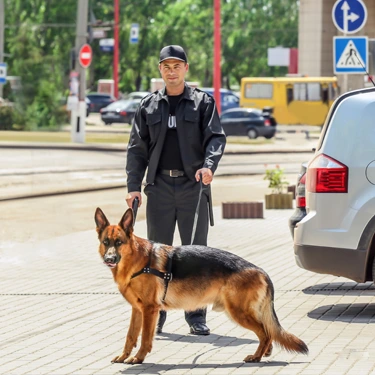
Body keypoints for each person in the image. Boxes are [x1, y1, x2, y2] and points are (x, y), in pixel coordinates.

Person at [125, 45, 226, 336]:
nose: (172, 71)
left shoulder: (202, 103)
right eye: (166, 66)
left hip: (192, 187)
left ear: (186, 68)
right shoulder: (148, 106)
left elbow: (215, 138)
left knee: (195, 254)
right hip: (158, 189)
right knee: (155, 255)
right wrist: (134, 186)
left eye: (177, 66)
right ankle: (155, 314)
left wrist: (209, 166)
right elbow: (136, 148)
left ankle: (196, 317)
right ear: (160, 70)